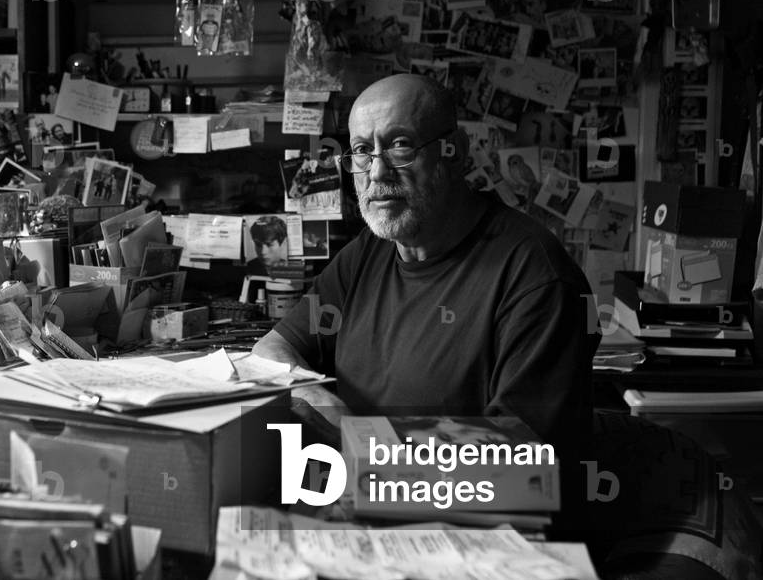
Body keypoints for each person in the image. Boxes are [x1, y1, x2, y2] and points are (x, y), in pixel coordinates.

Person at [252, 74, 597, 515]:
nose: (377, 172)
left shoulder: (537, 278)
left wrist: (356, 443)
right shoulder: (370, 251)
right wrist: (321, 402)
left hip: (478, 531)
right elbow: (271, 349)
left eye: (400, 145)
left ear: (455, 151)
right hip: (362, 500)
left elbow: (520, 472)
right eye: (362, 151)